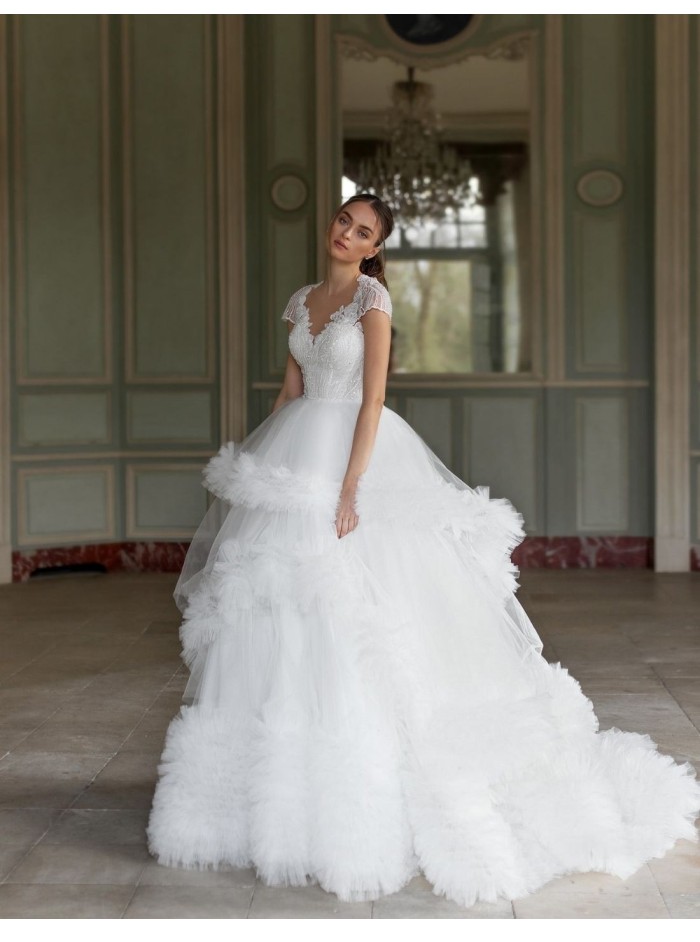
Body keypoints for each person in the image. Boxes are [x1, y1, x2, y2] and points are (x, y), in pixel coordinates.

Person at [146, 192, 700, 909]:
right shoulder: (301, 299)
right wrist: (258, 469)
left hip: (356, 456)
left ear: (376, 246)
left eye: (363, 230)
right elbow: (290, 390)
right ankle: (270, 800)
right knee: (284, 613)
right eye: (344, 220)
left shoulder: (372, 300)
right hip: (297, 452)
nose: (347, 233)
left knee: (365, 610)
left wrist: (352, 488)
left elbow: (372, 398)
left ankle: (371, 792)